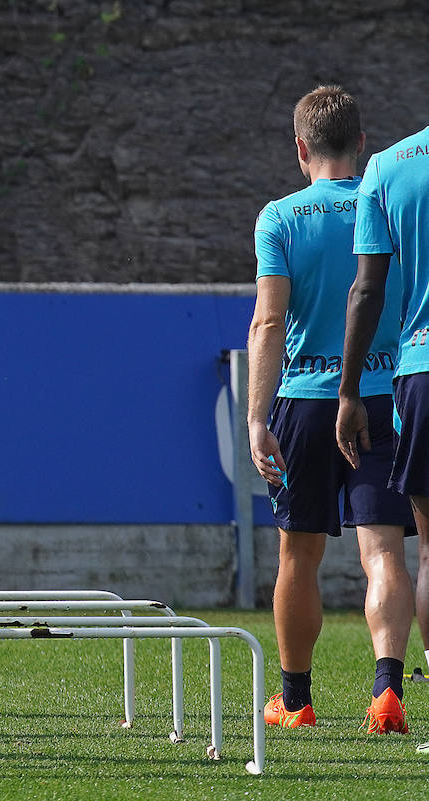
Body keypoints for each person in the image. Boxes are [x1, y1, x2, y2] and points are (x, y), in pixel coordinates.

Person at [249, 86, 414, 735]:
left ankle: (295, 699)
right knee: (386, 554)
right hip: (385, 398)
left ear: (301, 149)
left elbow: (268, 320)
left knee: (299, 557)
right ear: (363, 143)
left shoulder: (280, 216)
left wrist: (257, 417)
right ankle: (386, 690)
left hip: (308, 403)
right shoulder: (392, 208)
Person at [338, 94, 429, 739]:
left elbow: (368, 287)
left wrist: (349, 391)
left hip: (421, 366)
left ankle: (403, 681)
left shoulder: (390, 166)